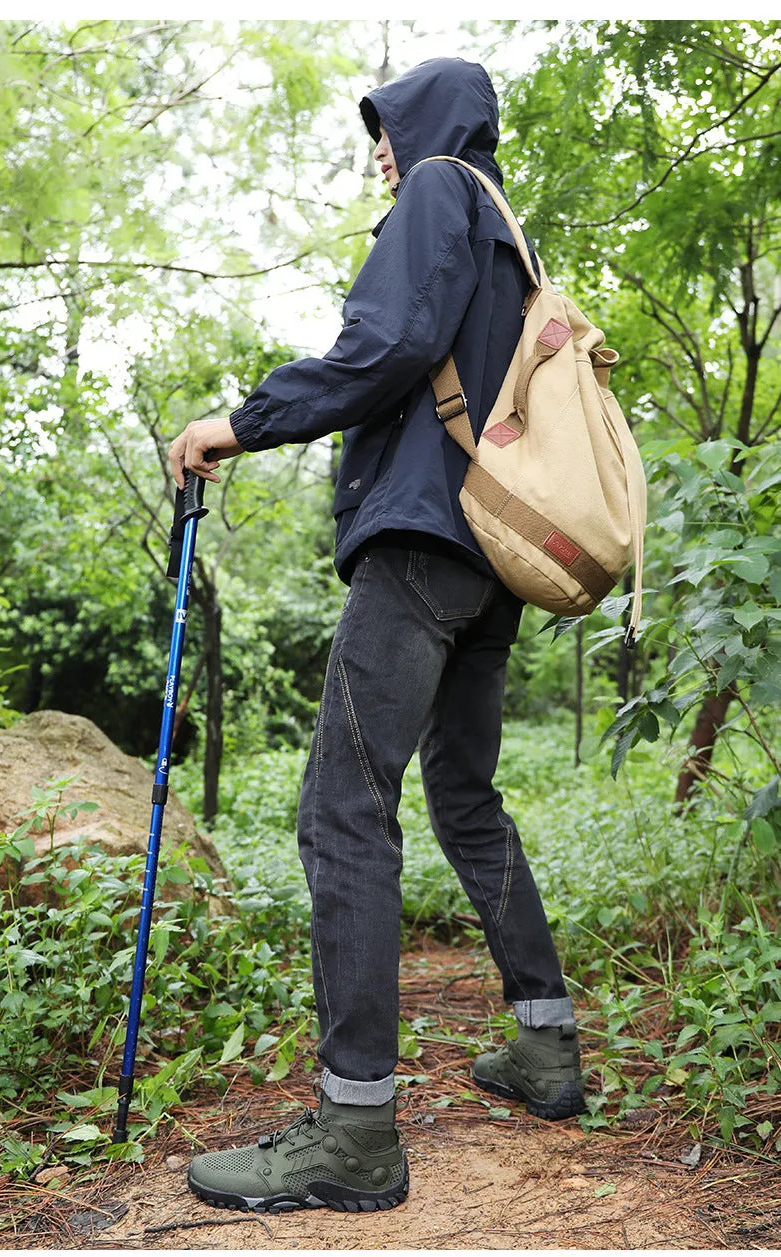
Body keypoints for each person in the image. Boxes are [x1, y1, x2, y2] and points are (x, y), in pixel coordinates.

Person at [169, 57, 585, 1217]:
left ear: (427, 126)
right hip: (494, 562)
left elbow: (386, 346)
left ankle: (354, 1131)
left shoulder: (439, 191)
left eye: (384, 132)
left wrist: (242, 421)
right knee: (464, 799)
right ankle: (545, 1048)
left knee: (344, 813)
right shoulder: (508, 234)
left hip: (420, 551)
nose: (379, 155)